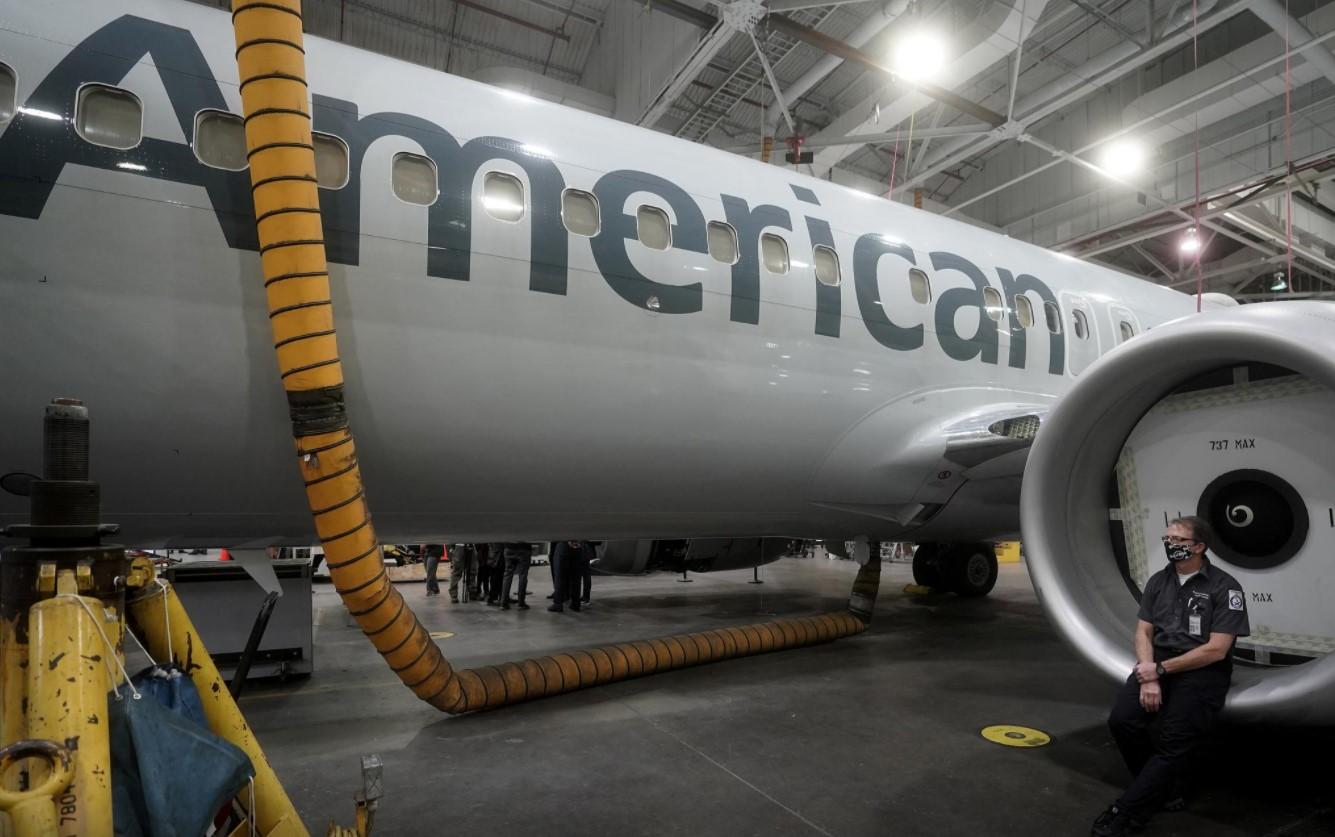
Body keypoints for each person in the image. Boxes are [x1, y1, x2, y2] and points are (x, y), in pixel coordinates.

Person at [1092, 516, 1250, 837]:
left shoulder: (1225, 587)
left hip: (1202, 671)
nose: (1171, 546)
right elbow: (1143, 632)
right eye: (1168, 539)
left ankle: (1126, 812)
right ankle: (1162, 788)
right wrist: (1150, 675)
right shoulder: (1158, 582)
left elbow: (1217, 650)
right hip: (1158, 664)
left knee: (1172, 743)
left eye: (1178, 541)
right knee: (1122, 721)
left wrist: (1160, 671)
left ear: (1200, 547)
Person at [548, 540, 593, 612]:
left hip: (563, 544)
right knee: (576, 577)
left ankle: (558, 603)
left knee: (560, 576)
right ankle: (575, 604)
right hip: (577, 546)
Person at [499, 542, 533, 610]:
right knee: (523, 575)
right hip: (524, 548)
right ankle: (521, 603)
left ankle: (503, 603)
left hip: (509, 547)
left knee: (507, 575)